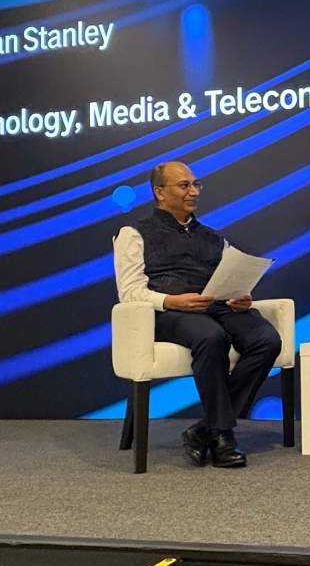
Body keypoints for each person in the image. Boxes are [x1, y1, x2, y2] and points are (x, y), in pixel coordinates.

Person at [113, 161, 281, 468]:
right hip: (168, 312)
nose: (193, 191)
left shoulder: (213, 237)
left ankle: (205, 430)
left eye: (195, 184)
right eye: (184, 185)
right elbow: (130, 292)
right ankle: (223, 436)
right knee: (211, 336)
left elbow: (228, 279)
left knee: (266, 339)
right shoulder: (134, 234)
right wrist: (171, 300)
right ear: (160, 192)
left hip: (216, 306)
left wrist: (241, 296)